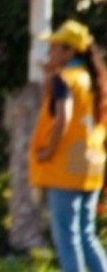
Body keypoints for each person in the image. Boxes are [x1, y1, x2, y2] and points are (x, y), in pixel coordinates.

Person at [29, 19, 107, 272]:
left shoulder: (66, 78)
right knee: (87, 235)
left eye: (55, 48)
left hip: (65, 168)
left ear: (69, 51)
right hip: (91, 166)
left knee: (67, 238)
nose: (50, 53)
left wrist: (49, 150)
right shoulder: (95, 80)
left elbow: (63, 116)